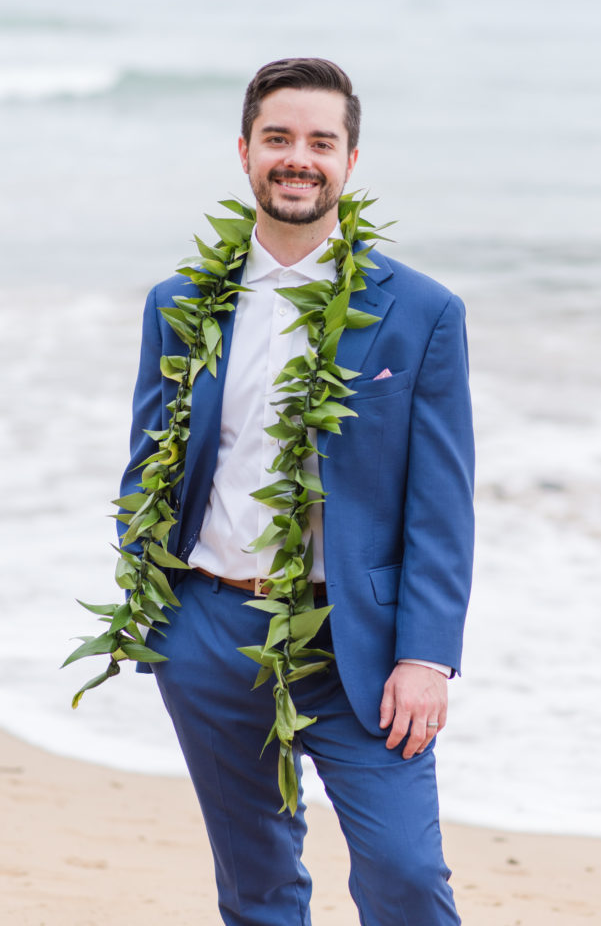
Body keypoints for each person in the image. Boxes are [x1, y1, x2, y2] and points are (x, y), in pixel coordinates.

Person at [120, 57, 475, 926]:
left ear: (351, 162)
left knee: (405, 877)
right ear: (245, 152)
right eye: (278, 138)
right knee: (258, 884)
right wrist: (160, 615)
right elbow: (149, 464)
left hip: (360, 648)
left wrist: (427, 657)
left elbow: (443, 500)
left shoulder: (421, 312)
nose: (298, 158)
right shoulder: (181, 303)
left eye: (322, 141)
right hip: (208, 633)